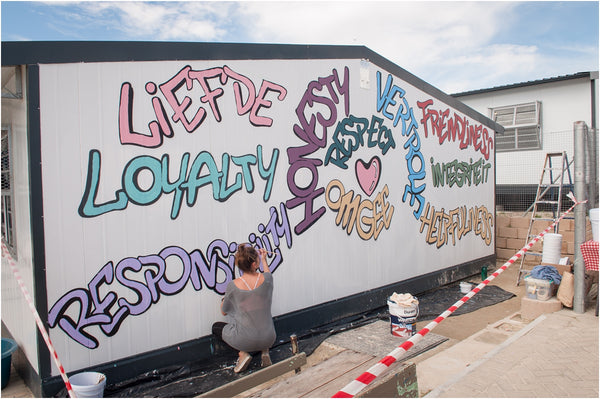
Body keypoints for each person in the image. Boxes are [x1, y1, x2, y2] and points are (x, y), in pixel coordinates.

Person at [212, 244, 276, 373]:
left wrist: (224, 300)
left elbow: (224, 311)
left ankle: (243, 354)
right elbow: (267, 272)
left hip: (246, 341)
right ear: (254, 264)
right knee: (260, 322)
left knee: (216, 327)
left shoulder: (233, 286)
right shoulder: (268, 280)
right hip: (269, 338)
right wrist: (264, 259)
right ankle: (265, 351)